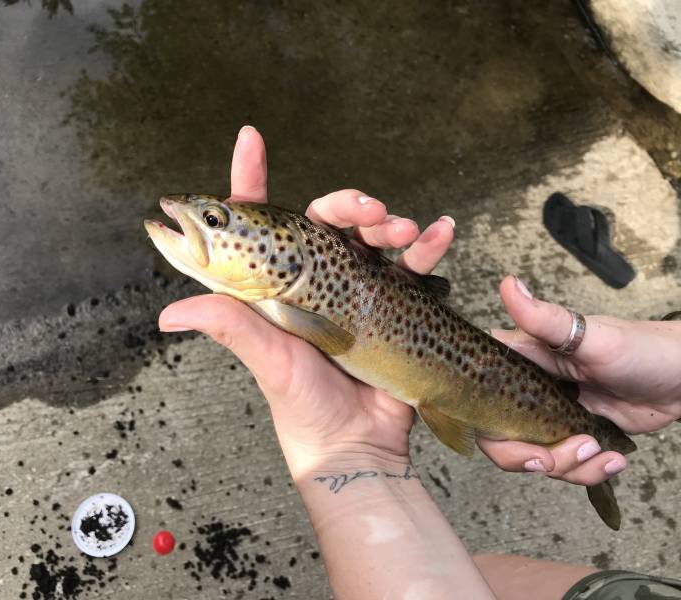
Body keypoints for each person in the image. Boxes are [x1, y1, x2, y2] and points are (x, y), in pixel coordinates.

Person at [158, 126, 681, 599]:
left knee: (485, 573)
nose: (198, 222)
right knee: (487, 573)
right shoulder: (291, 294)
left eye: (213, 221)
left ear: (283, 255)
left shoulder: (290, 298)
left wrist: (346, 457)